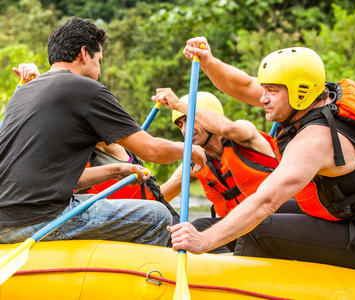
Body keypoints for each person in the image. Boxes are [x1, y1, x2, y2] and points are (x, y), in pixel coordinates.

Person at [167, 38, 355, 271]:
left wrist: (203, 241)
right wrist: (209, 62)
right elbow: (243, 86)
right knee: (264, 217)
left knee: (259, 228)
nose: (262, 98)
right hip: (346, 219)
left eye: (271, 90)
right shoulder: (319, 97)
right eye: (264, 88)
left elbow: (266, 201)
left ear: (300, 92)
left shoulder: (315, 140)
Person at [0, 17, 206, 247]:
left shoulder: (22, 94)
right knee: (157, 216)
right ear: (84, 53)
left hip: (4, 222)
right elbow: (153, 151)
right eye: (99, 61)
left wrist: (119, 169)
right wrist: (190, 150)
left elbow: (61, 181)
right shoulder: (86, 89)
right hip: (40, 220)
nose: (98, 73)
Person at [11, 64, 179, 225]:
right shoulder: (61, 155)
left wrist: (190, 150)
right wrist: (36, 81)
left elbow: (153, 149)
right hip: (115, 222)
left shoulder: (102, 142)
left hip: (151, 218)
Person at [153, 90, 292, 252]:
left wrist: (178, 105)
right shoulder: (195, 162)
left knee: (253, 227)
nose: (185, 130)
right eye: (181, 125)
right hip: (236, 229)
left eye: (191, 120)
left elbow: (228, 129)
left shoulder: (245, 135)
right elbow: (161, 196)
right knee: (197, 228)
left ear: (209, 118)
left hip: (276, 216)